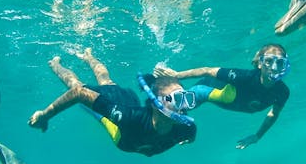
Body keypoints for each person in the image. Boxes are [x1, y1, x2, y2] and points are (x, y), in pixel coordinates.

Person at [28, 48, 196, 156]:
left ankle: (88, 56)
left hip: (132, 113)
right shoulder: (128, 117)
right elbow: (78, 93)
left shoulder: (187, 128)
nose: (182, 107)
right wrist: (44, 115)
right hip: (122, 134)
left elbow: (190, 134)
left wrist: (189, 139)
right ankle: (56, 64)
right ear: (155, 102)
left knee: (107, 81)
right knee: (78, 85)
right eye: (175, 99)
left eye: (185, 98)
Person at [154, 43, 290, 149]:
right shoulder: (244, 77)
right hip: (210, 89)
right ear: (260, 63)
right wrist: (177, 75)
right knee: (178, 103)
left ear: (285, 65)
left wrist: (257, 136)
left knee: (181, 111)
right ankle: (162, 92)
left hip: (232, 101)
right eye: (269, 61)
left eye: (280, 62)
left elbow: (274, 113)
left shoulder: (283, 92)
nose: (274, 67)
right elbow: (208, 71)